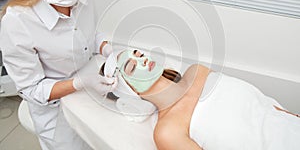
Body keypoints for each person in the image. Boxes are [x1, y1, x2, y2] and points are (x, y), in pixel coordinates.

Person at [0, 0, 116, 149]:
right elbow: (32, 90)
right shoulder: (17, 23)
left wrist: (106, 48)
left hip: (90, 94)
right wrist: (79, 83)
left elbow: (88, 34)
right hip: (56, 112)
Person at [102, 48, 300, 150]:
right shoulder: (167, 131)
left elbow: (264, 106)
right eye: (132, 66)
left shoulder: (197, 72)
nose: (143, 59)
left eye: (139, 54)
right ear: (130, 91)